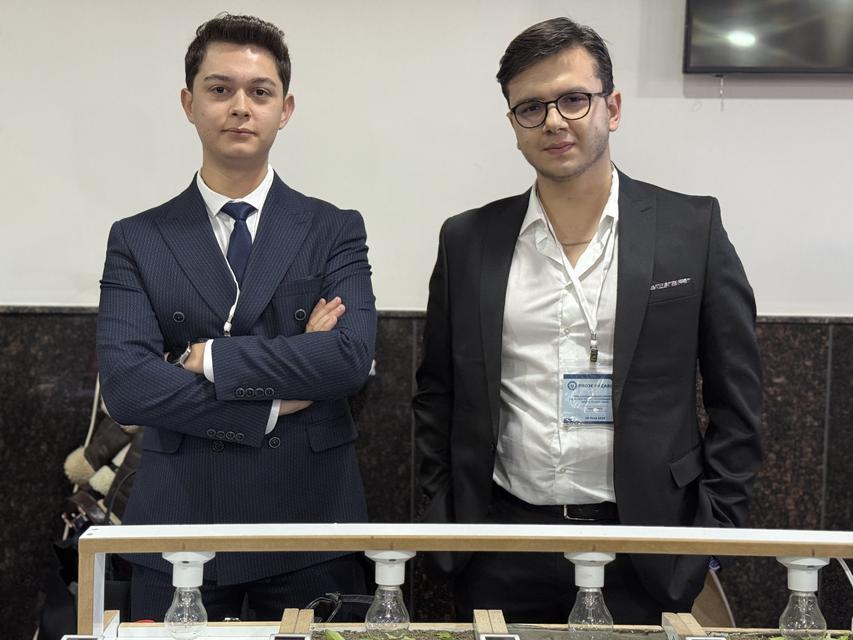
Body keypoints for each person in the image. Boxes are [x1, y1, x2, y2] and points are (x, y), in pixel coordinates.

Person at [413, 17, 762, 624]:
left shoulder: (691, 229)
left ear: (612, 107)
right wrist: (444, 521)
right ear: (514, 125)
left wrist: (710, 536)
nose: (554, 121)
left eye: (574, 99)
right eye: (531, 107)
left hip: (648, 544)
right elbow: (436, 393)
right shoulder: (468, 240)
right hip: (502, 542)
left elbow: (739, 400)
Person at [96, 14, 376, 621]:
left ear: (285, 109)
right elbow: (127, 386)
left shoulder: (333, 228)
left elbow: (348, 359)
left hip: (309, 519)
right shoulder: (138, 238)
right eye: (220, 89)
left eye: (260, 91)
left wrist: (209, 358)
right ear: (189, 104)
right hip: (180, 520)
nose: (240, 107)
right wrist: (271, 404)